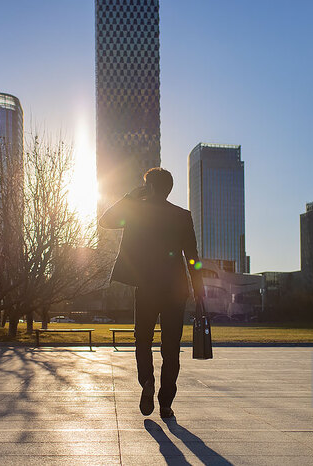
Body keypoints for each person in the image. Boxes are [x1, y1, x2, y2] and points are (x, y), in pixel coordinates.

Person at [99, 167, 204, 419]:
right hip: (175, 290)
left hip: (146, 286)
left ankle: (147, 380)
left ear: (150, 187)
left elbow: (106, 221)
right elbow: (192, 258)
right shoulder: (182, 215)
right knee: (171, 347)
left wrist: (130, 197)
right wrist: (199, 290)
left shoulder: (137, 211)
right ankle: (166, 402)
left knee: (142, 340)